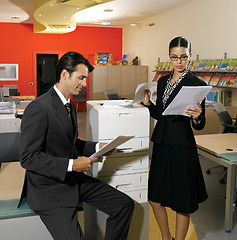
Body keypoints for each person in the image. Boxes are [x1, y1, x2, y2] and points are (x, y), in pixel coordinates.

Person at [19, 51, 134, 240]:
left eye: (85, 78)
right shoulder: (38, 108)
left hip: (73, 180)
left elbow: (70, 145)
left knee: (124, 205)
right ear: (65, 74)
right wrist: (72, 165)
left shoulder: (69, 105)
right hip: (49, 189)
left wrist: (98, 147)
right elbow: (28, 158)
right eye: (81, 78)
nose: (84, 84)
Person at [142, 36, 208, 240]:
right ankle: (166, 237)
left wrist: (197, 117)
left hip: (182, 146)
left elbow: (200, 122)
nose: (179, 62)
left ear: (190, 56)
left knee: (182, 201)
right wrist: (148, 105)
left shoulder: (197, 84)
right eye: (174, 57)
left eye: (183, 57)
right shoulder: (161, 81)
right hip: (161, 145)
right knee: (154, 198)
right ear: (169, 57)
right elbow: (162, 114)